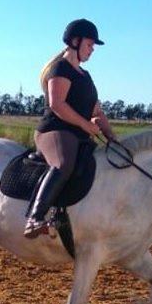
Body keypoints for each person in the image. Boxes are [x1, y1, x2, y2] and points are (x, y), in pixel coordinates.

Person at [24, 18, 116, 239]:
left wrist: (113, 138)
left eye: (93, 46)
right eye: (89, 44)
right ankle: (34, 218)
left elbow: (97, 112)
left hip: (79, 135)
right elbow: (57, 105)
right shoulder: (60, 69)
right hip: (54, 131)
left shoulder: (85, 76)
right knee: (63, 164)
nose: (92, 49)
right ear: (75, 41)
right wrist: (86, 125)